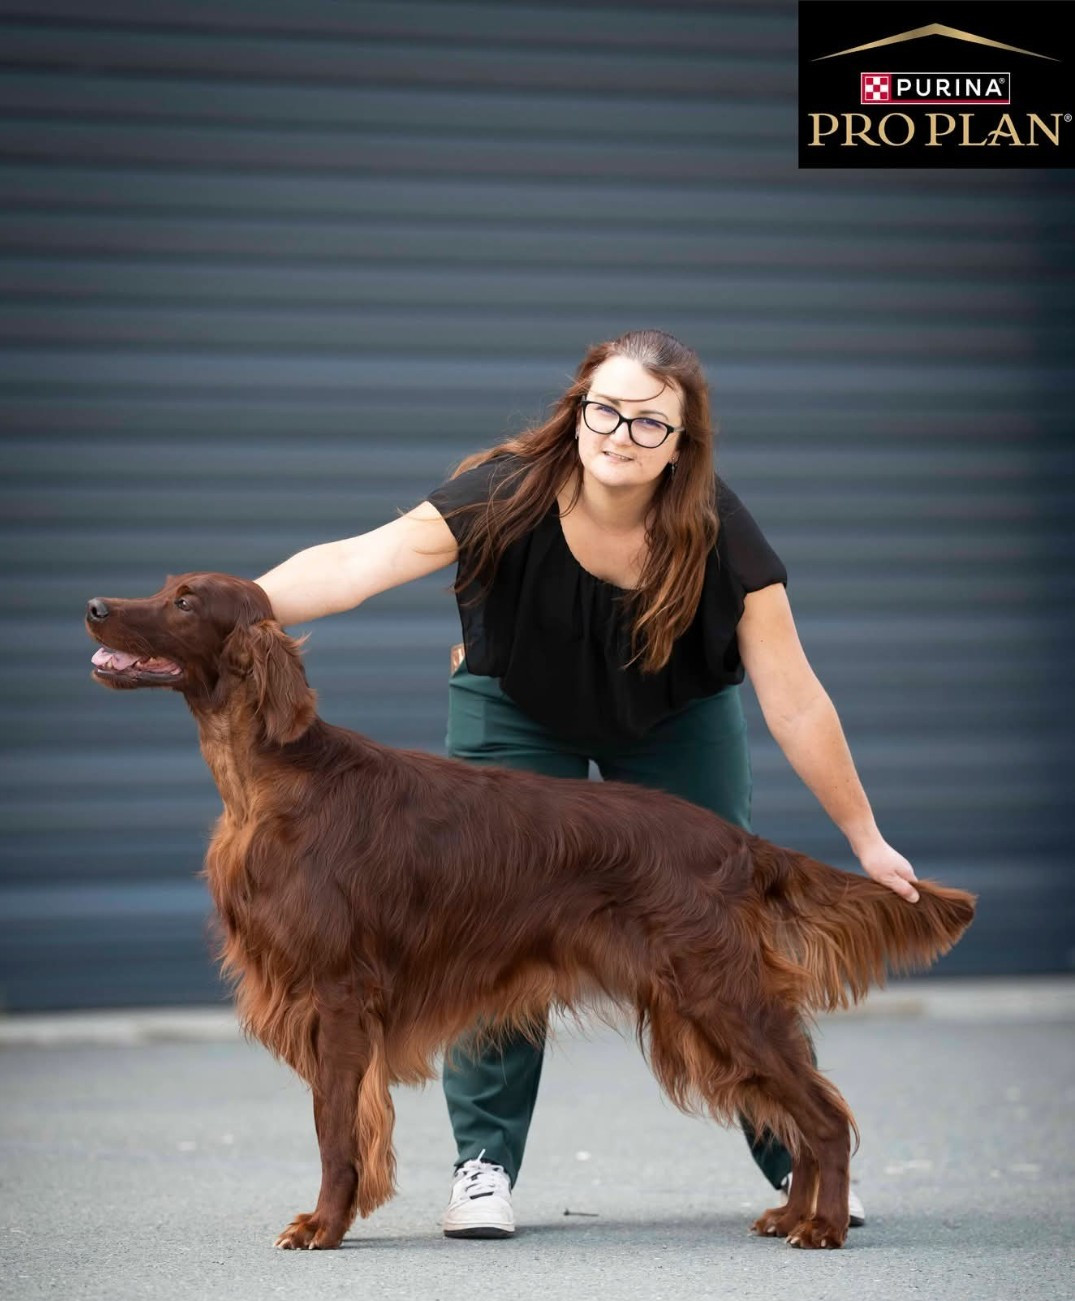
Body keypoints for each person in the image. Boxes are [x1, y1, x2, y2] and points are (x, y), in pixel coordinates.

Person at [255, 328, 919, 1240]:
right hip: (516, 708)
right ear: (576, 411)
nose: (621, 434)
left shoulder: (717, 529)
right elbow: (353, 564)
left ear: (681, 444)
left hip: (674, 719)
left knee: (714, 937)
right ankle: (483, 1164)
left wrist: (865, 838)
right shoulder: (503, 490)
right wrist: (233, 611)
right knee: (483, 922)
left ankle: (798, 1152)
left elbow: (795, 699)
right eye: (604, 409)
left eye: (651, 423)